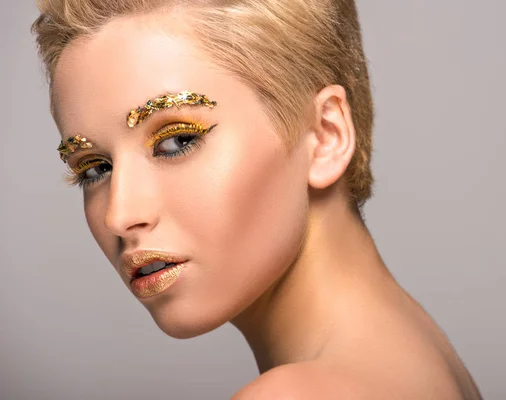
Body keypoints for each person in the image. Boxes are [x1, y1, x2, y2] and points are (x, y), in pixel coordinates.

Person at [32, 0, 482, 398]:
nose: (119, 215)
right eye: (95, 168)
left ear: (326, 136)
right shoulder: (417, 355)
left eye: (176, 142)